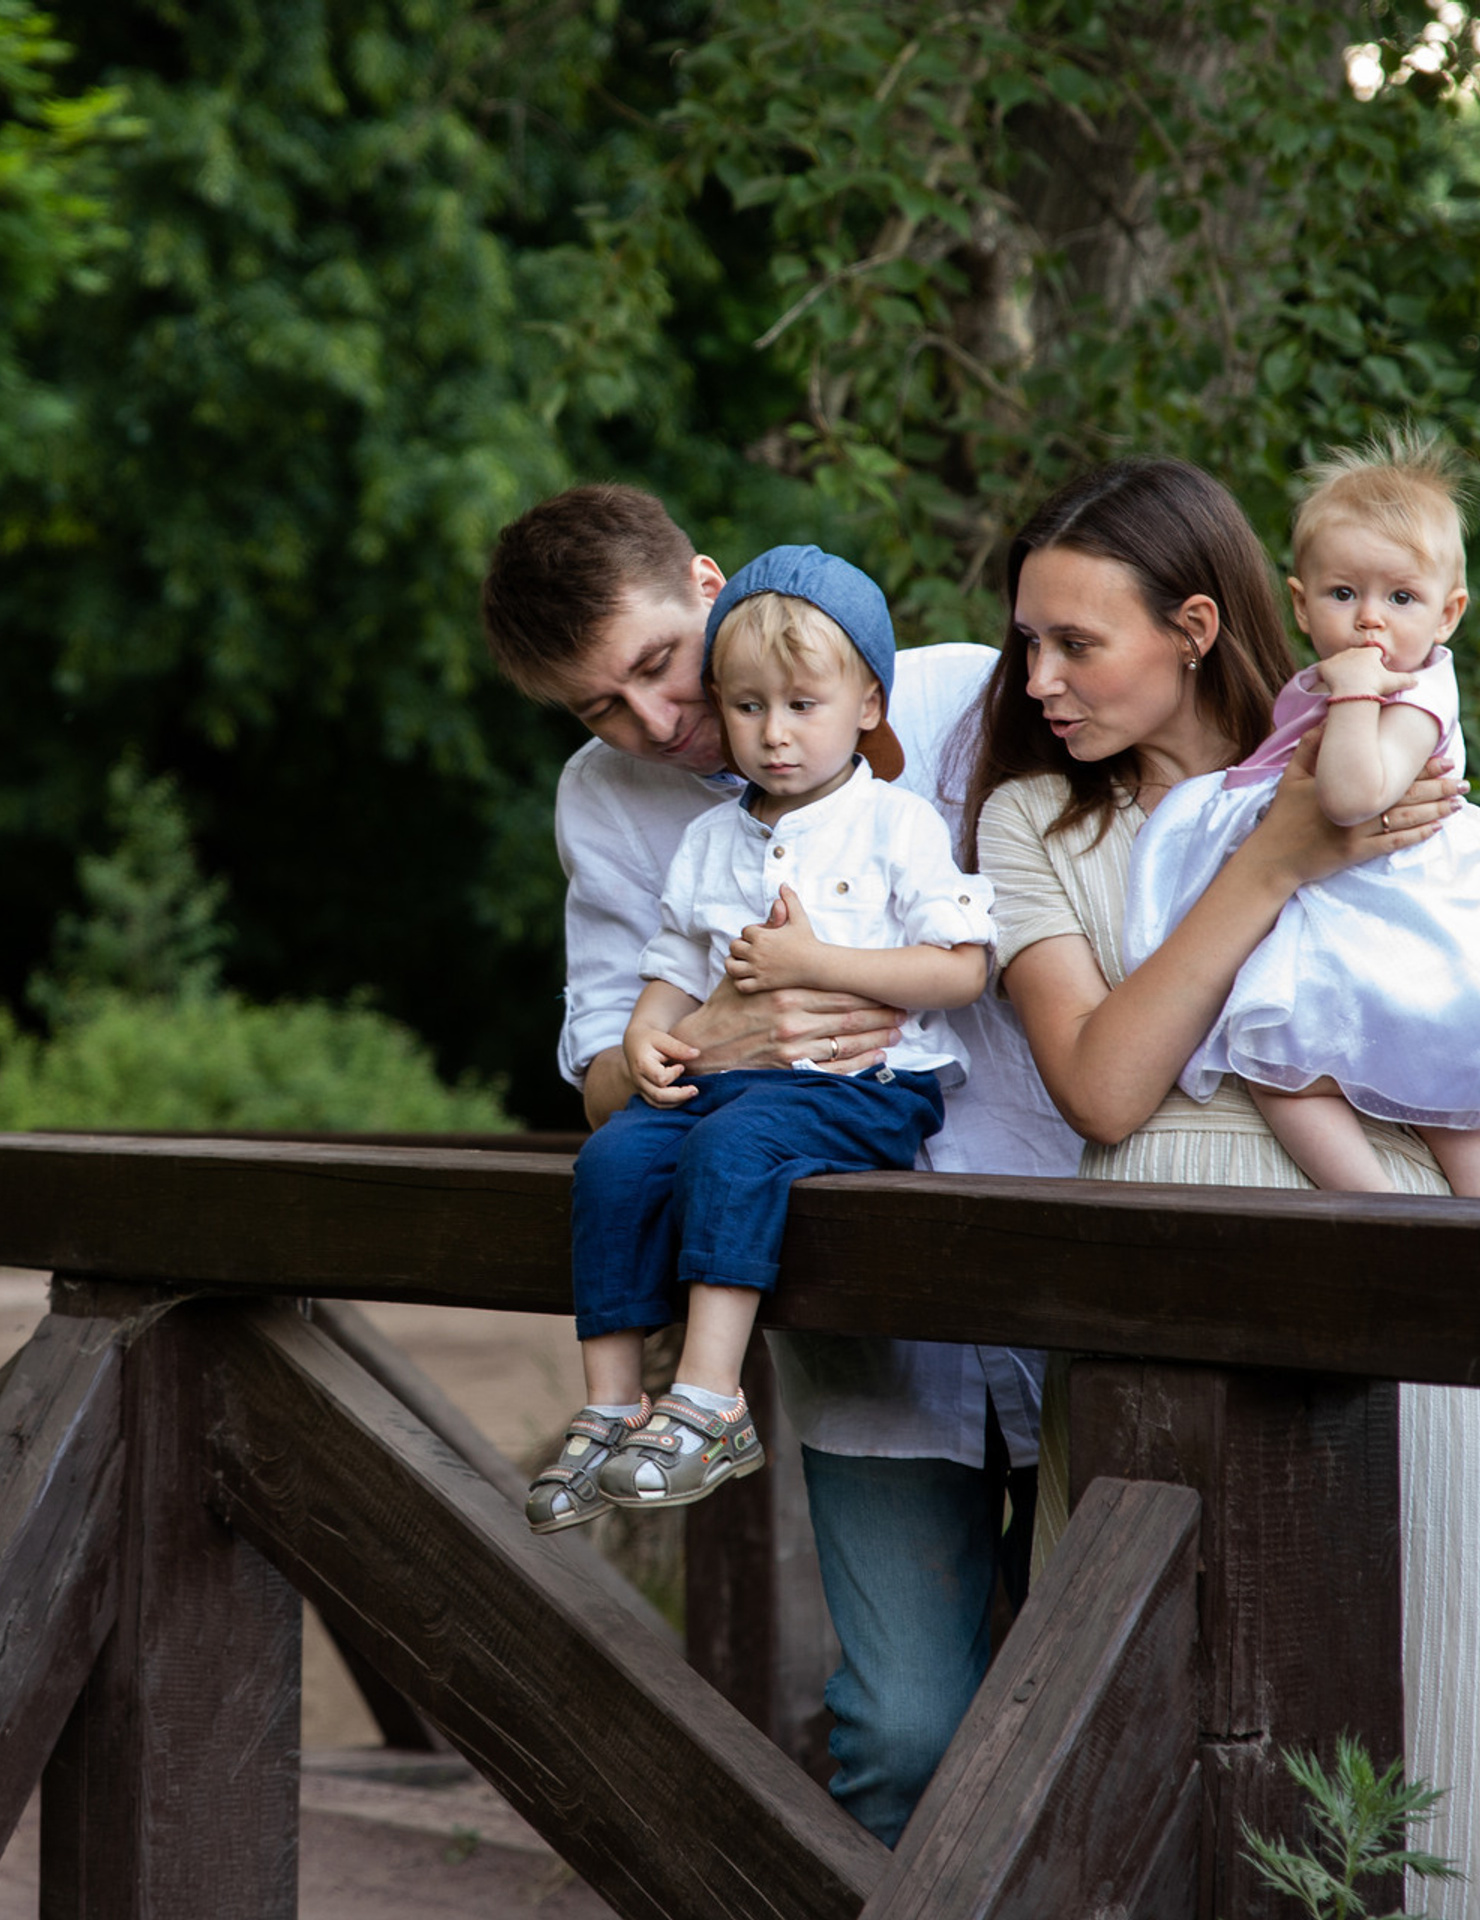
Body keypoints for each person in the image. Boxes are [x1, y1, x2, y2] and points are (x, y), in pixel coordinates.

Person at [482, 485, 1080, 1848]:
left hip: (1061, 1260)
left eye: (652, 667)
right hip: (866, 1318)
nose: (653, 725)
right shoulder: (610, 804)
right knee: (901, 1731)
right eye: (597, 709)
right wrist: (709, 1033)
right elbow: (602, 1077)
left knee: (1114, 1697)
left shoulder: (946, 700)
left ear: (706, 584)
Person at [963, 454, 1476, 1911]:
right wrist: (1276, 856)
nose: (1041, 677)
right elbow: (1107, 1083)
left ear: (1192, 627)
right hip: (1156, 1274)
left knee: (1430, 1679)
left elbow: (1445, 978)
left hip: (1385, 1237)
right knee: (1149, 1731)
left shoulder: (1361, 735)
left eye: (1076, 640)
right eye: (1026, 644)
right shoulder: (1035, 826)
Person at [528, 547, 993, 1534]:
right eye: (747, 709)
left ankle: (712, 1399)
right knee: (613, 1158)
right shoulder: (705, 838)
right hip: (740, 1086)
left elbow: (961, 967)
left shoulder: (895, 822)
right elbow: (670, 966)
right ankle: (612, 1406)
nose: (772, 736)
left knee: (733, 1149)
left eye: (798, 708)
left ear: (867, 703)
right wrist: (656, 1037)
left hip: (864, 1083)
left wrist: (822, 967)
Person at [1122, 431, 1480, 1193]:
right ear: (1301, 602)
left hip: (1406, 924)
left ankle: (1434, 1227)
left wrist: (1353, 690)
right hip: (1346, 912)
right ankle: (1379, 1214)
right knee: (1288, 1075)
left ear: (1448, 615)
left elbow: (1352, 796)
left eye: (1402, 598)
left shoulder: (1417, 695)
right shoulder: (1326, 679)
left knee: (1449, 1101)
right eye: (1343, 594)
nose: (1371, 620)